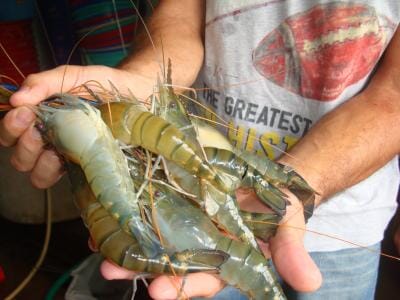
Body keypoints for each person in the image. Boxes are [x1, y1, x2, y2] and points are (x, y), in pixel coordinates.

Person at [1, 1, 399, 299]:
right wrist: (143, 78)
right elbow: (179, 14)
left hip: (351, 218)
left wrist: (301, 185)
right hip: (209, 181)